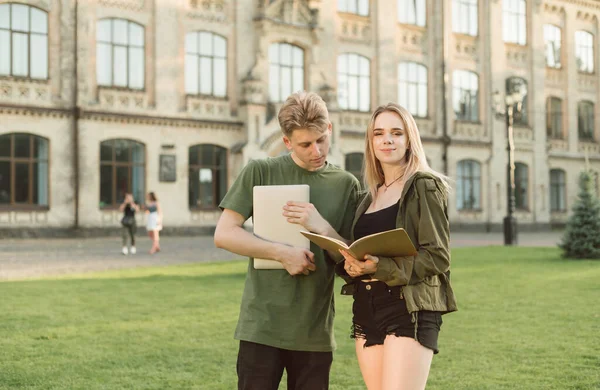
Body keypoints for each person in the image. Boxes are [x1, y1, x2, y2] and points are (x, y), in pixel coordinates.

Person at [214, 91, 361, 390]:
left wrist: (321, 227)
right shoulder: (260, 171)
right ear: (287, 142)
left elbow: (350, 259)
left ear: (330, 128)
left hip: (313, 331)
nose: (316, 150)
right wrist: (282, 253)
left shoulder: (347, 184)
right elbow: (224, 233)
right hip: (261, 327)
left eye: (321, 139)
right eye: (305, 144)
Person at [336, 103, 458, 390]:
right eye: (378, 133)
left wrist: (383, 266)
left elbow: (438, 257)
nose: (387, 140)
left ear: (409, 140)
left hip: (409, 309)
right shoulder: (368, 197)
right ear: (371, 142)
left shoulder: (423, 186)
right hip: (366, 308)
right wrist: (353, 266)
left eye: (396, 133)